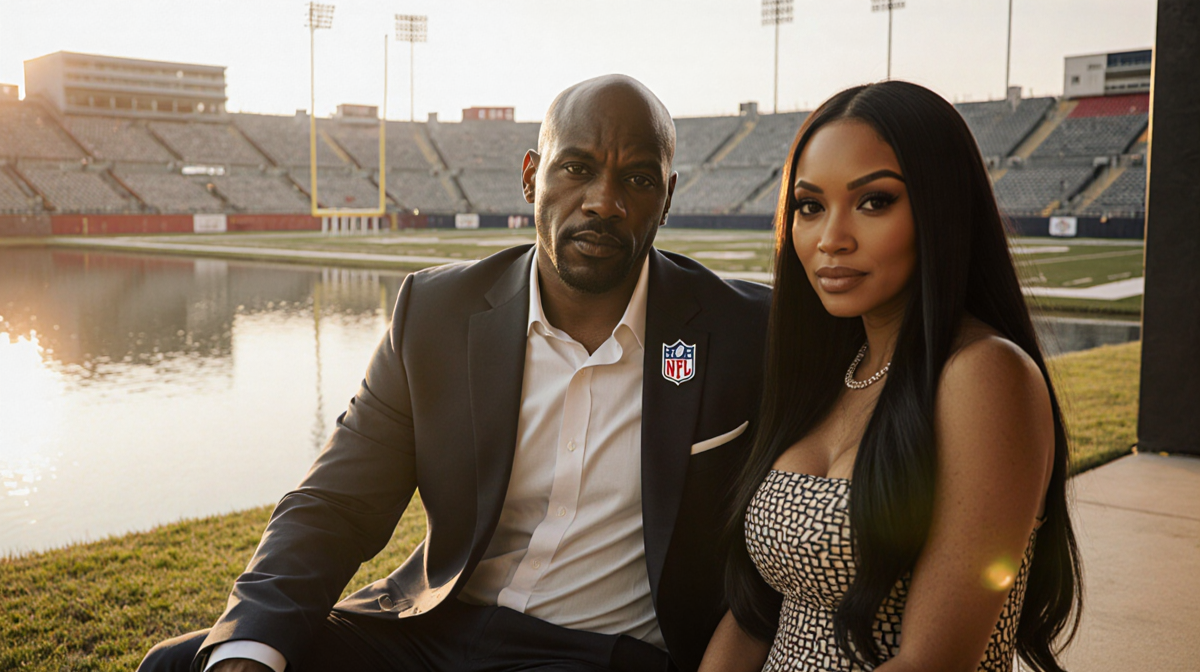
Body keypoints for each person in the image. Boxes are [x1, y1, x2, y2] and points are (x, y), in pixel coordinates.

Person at [138, 74, 770, 672]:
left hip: (593, 650)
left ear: (667, 197)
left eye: (637, 178)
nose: (604, 201)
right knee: (182, 663)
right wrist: (251, 646)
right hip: (433, 629)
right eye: (577, 168)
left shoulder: (746, 330)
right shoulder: (435, 312)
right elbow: (337, 503)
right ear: (531, 176)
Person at [699, 81, 1083, 672]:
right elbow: (754, 616)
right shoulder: (825, 372)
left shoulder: (985, 375)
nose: (831, 238)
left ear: (941, 208)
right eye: (809, 206)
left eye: (874, 201)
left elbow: (933, 662)